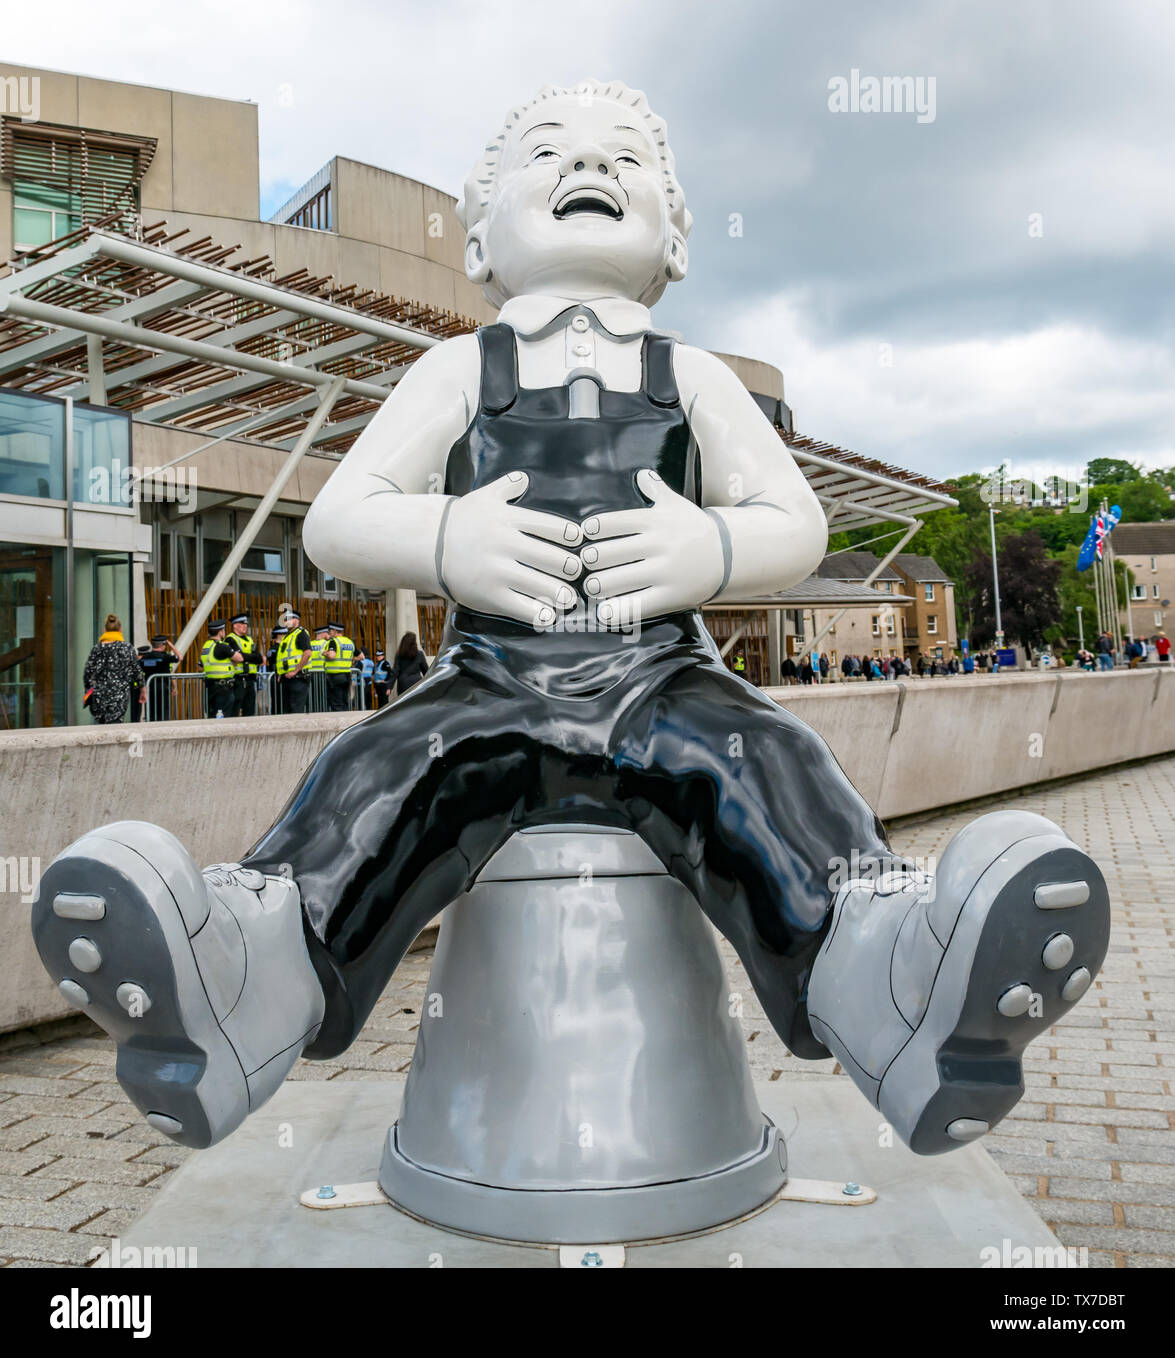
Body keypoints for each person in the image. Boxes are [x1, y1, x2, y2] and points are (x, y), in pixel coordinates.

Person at [33, 79, 1109, 1166]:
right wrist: (450, 539)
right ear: (477, 234)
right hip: (487, 682)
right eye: (549, 152)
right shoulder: (457, 369)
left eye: (625, 159)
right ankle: (247, 979)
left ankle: (893, 987)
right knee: (379, 765)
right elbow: (343, 521)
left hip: (665, 682)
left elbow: (795, 517)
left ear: (674, 234)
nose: (588, 168)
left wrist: (712, 549)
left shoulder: (689, 375)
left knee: (770, 762)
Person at [82, 615, 144, 725]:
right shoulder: (127, 648)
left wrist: (88, 691)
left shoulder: (97, 649)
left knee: (102, 725)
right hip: (119, 696)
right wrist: (142, 689)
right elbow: (137, 671)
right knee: (115, 725)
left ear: (104, 630)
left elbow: (88, 673)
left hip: (99, 696)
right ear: (120, 630)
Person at [198, 620, 241, 719]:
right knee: (222, 717)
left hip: (211, 687)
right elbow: (240, 658)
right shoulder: (221, 646)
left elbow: (200, 667)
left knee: (213, 716)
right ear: (221, 632)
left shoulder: (206, 646)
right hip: (223, 689)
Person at [276, 610, 313, 714]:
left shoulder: (300, 633)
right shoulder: (288, 636)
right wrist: (281, 673)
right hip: (288, 679)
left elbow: (308, 653)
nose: (285, 622)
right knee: (288, 710)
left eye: (288, 619)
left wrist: (295, 671)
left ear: (296, 620)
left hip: (298, 678)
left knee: (296, 710)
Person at [228, 614, 264, 718]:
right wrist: (251, 657)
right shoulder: (230, 639)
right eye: (242, 624)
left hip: (250, 680)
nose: (245, 626)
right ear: (235, 625)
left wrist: (244, 656)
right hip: (237, 680)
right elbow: (239, 657)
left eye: (246, 624)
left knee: (249, 711)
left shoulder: (249, 640)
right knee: (235, 710)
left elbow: (259, 659)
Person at [140, 635, 180, 720]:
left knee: (151, 711)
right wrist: (171, 645)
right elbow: (180, 657)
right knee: (163, 712)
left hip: (149, 687)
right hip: (163, 687)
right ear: (163, 645)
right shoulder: (164, 657)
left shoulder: (145, 658)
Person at [324, 621, 356, 712]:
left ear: (334, 631)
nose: (329, 632)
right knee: (344, 701)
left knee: (336, 703)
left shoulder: (333, 641)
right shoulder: (350, 642)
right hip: (347, 675)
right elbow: (361, 656)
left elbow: (331, 655)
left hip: (335, 677)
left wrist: (325, 653)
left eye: (330, 630)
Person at [389, 632, 429, 698]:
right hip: (417, 684)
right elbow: (426, 671)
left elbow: (395, 671)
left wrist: (390, 686)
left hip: (403, 685)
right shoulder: (419, 654)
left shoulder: (399, 655)